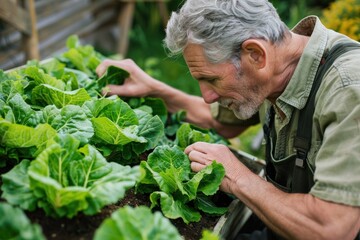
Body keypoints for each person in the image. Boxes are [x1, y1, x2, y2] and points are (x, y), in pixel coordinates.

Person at [96, 0, 360, 239]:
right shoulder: (279, 66)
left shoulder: (349, 91)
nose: (208, 97)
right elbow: (223, 123)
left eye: (211, 79)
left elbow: (333, 229)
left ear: (255, 54)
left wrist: (236, 176)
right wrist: (155, 90)